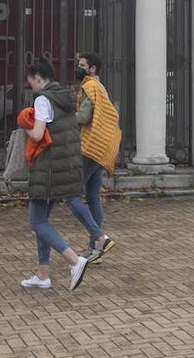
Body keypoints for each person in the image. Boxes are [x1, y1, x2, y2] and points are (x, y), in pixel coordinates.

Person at [19, 60, 92, 292]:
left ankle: (74, 260)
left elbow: (38, 134)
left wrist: (23, 125)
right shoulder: (65, 96)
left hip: (48, 169)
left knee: (36, 222)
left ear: (38, 78)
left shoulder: (43, 99)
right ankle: (42, 274)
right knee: (42, 222)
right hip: (65, 167)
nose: (30, 85)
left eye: (30, 81)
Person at [74, 51, 121, 263]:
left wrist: (63, 115)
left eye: (82, 64)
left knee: (71, 194)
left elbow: (84, 116)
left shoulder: (89, 87)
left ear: (92, 69)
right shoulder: (100, 87)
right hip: (102, 147)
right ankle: (95, 251)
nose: (78, 67)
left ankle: (99, 238)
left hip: (90, 148)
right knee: (93, 196)